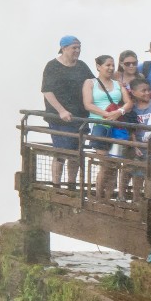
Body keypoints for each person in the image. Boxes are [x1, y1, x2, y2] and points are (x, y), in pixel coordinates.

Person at [40, 36, 94, 190]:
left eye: (79, 47)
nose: (77, 51)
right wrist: (61, 110)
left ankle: (71, 184)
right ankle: (56, 185)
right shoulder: (52, 66)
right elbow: (47, 91)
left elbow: (93, 84)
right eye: (73, 48)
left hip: (80, 116)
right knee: (61, 152)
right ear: (64, 48)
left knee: (76, 151)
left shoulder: (82, 66)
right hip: (59, 118)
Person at [85, 54, 129, 198]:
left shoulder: (118, 84)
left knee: (114, 164)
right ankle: (98, 196)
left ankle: (109, 196)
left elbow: (129, 102)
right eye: (107, 65)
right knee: (105, 164)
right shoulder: (90, 83)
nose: (111, 68)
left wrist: (119, 111)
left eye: (112, 65)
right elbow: (88, 104)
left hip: (116, 125)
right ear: (98, 66)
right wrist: (106, 114)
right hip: (99, 124)